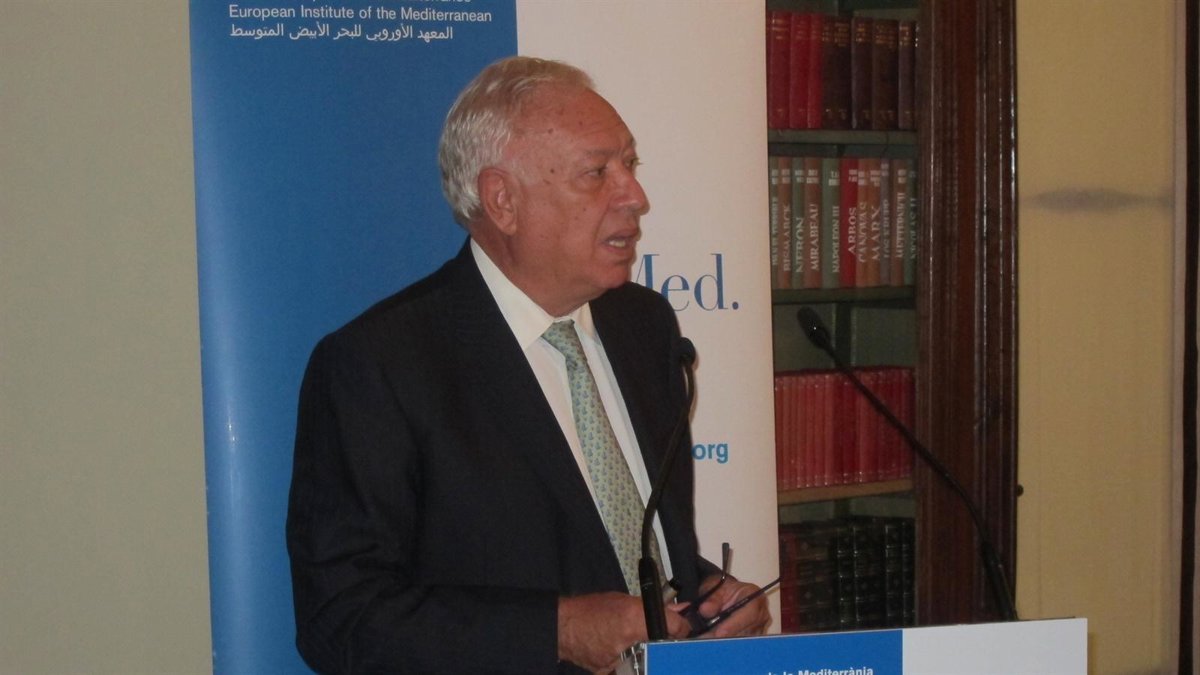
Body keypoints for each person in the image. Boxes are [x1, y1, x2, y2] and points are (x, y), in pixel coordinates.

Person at [286, 55, 770, 674]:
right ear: (503, 201)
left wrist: (708, 599)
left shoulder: (644, 325)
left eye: (630, 164)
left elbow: (625, 549)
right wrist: (557, 631)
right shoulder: (381, 364)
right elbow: (341, 619)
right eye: (597, 172)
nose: (636, 197)